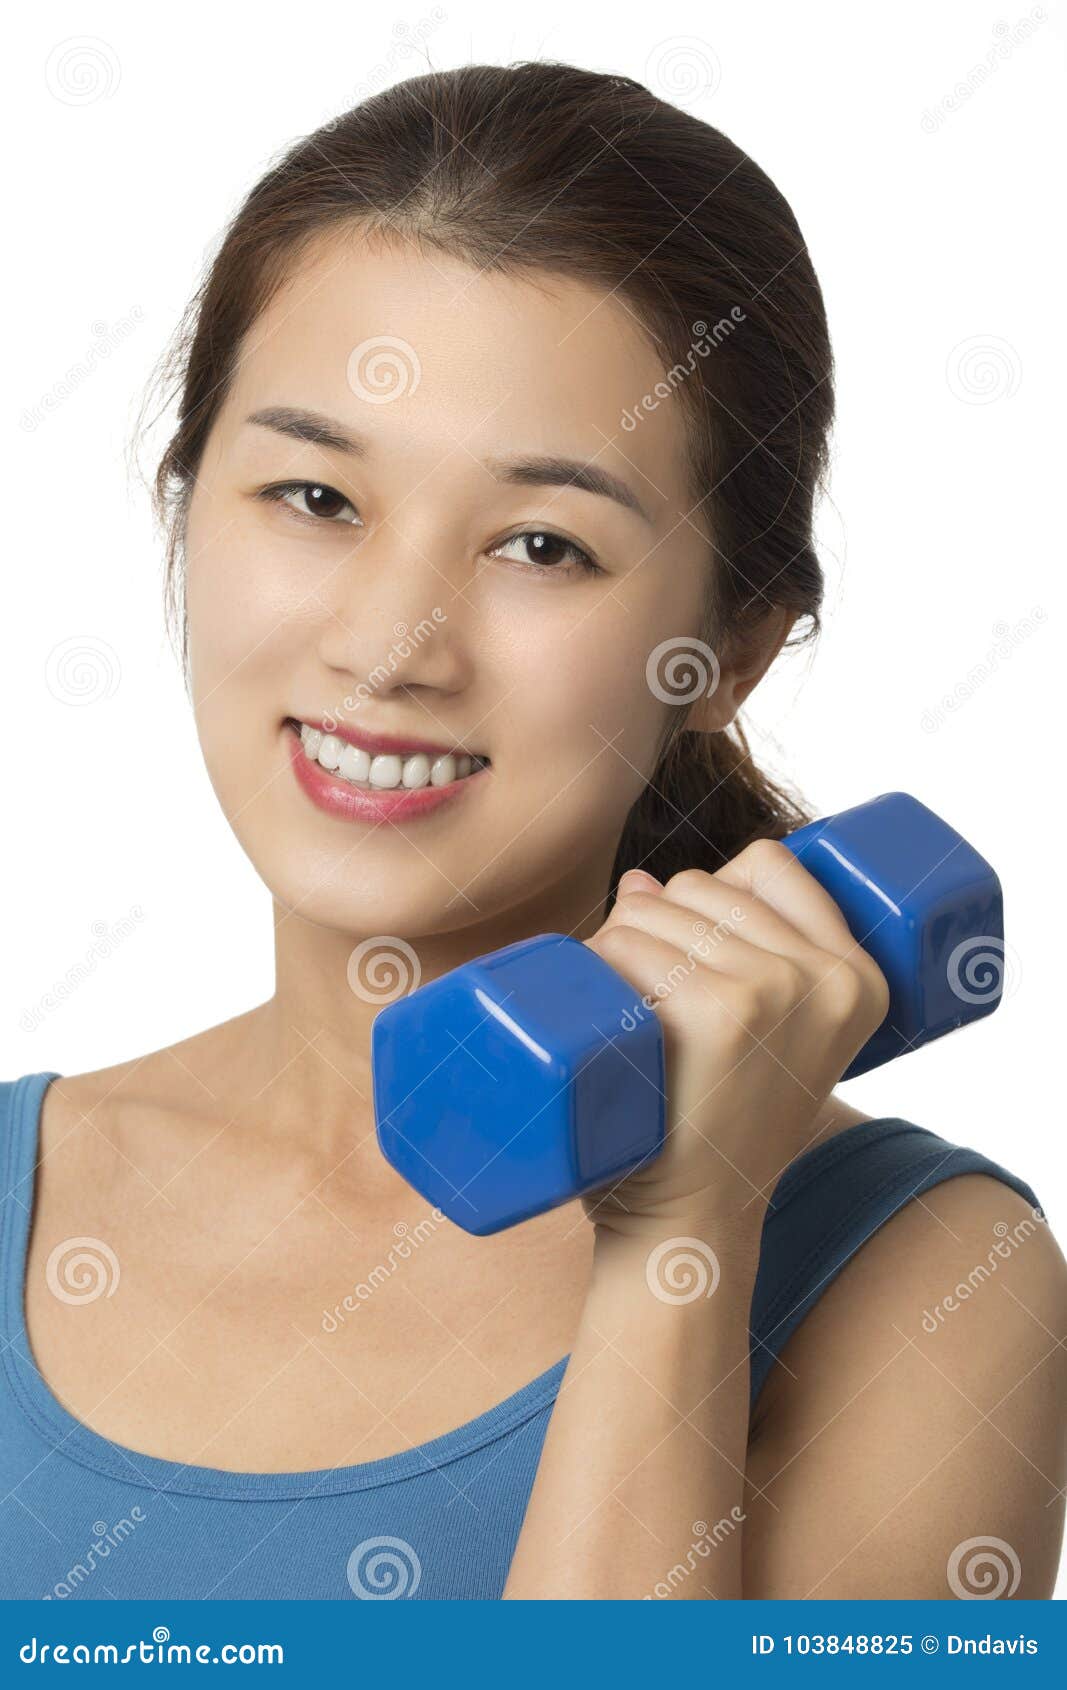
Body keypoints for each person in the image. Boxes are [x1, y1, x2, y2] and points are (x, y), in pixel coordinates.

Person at [2, 60, 1064, 1602]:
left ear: (738, 645)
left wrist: (680, 1244)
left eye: (543, 543)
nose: (391, 643)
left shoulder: (930, 1282)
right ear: (184, 509)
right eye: (313, 496)